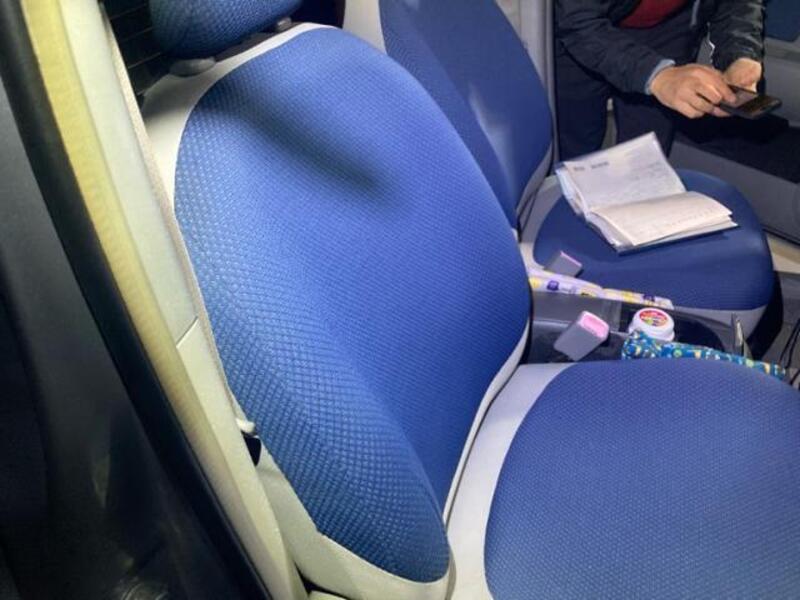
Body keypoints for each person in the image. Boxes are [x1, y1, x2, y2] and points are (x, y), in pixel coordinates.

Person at [555, 0, 765, 159]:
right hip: (582, 31)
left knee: (646, 155)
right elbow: (576, 20)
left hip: (668, 25)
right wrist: (657, 76)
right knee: (573, 145)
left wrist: (740, 53)